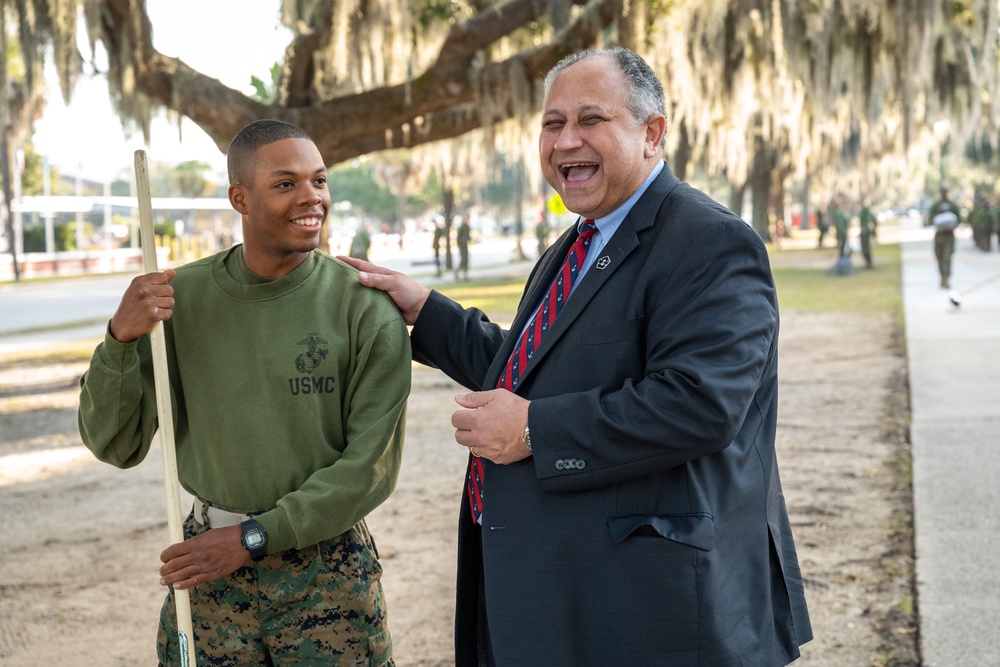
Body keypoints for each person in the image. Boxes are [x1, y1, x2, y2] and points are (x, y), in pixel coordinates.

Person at [342, 47, 811, 666]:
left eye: (591, 120)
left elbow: (700, 404)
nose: (566, 142)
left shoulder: (710, 242)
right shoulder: (576, 243)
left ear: (652, 133)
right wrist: (425, 310)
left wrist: (532, 430)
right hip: (570, 590)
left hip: (656, 609)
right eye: (552, 123)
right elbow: (534, 367)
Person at [78, 119, 410, 666]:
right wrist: (120, 338)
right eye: (286, 184)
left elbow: (367, 469)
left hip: (326, 578)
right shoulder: (177, 300)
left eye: (319, 181)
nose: (312, 198)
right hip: (208, 574)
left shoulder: (365, 308)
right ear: (240, 198)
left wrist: (252, 538)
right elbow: (115, 444)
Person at [927, 185, 962, 288]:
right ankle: (942, 276)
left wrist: (952, 225)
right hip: (939, 235)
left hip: (949, 235)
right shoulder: (936, 205)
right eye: (942, 191)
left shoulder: (953, 205)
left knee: (947, 257)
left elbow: (959, 220)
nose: (943, 193)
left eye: (945, 191)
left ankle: (946, 278)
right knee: (939, 256)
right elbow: (930, 219)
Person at [858, 196, 877, 268]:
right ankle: (868, 262)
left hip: (865, 230)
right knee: (865, 246)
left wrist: (864, 228)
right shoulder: (865, 209)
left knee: (865, 247)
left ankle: (869, 262)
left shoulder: (865, 209)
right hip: (866, 229)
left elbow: (867, 220)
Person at [455, 213, 472, 281]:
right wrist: (459, 245)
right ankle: (457, 273)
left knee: (466, 261)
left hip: (465, 245)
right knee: (463, 260)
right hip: (462, 246)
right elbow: (458, 237)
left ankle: (465, 276)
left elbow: (467, 237)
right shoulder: (462, 227)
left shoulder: (467, 226)